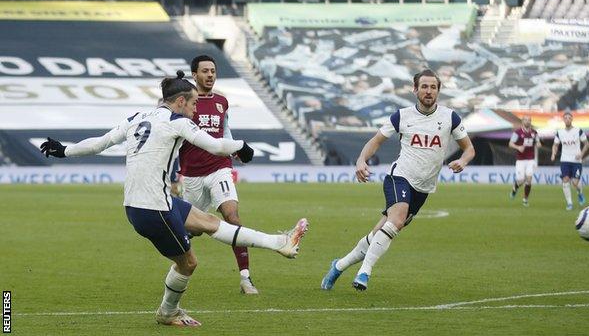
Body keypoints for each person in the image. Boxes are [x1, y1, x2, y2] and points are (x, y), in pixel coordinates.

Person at [40, 71, 308, 327]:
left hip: (143, 203)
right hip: (153, 208)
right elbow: (215, 145)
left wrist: (64, 150)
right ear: (180, 101)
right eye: (192, 104)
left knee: (209, 222)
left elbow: (101, 143)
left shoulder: (137, 117)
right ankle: (167, 313)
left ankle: (280, 242)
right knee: (188, 263)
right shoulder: (177, 121)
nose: (195, 110)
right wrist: (241, 146)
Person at [320, 69, 475, 291]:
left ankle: (338, 265)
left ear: (439, 91)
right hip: (399, 177)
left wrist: (464, 161)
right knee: (398, 218)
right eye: (424, 86)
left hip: (424, 188)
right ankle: (365, 272)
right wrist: (361, 160)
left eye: (433, 87)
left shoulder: (450, 117)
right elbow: (376, 141)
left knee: (380, 232)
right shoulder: (402, 116)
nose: (428, 91)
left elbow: (469, 149)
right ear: (415, 90)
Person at [178, 55, 259, 294]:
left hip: (219, 169)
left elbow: (225, 131)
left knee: (232, 217)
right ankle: (180, 270)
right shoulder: (184, 102)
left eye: (213, 71)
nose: (210, 75)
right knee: (189, 230)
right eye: (205, 71)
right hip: (192, 175)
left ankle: (246, 278)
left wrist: (236, 150)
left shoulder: (222, 101)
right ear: (194, 75)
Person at [550, 111, 589, 210]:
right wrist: (553, 153)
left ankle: (580, 193)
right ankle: (569, 203)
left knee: (575, 183)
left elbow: (587, 144)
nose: (567, 119)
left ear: (572, 119)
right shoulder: (560, 132)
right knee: (565, 180)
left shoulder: (578, 130)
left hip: (576, 161)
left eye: (569, 118)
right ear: (563, 120)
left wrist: (581, 154)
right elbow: (555, 145)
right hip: (565, 160)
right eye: (565, 118)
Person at [508, 115, 541, 207]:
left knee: (529, 179)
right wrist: (518, 147)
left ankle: (525, 199)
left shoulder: (534, 132)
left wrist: (538, 144)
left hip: (530, 159)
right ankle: (515, 187)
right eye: (526, 120)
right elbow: (510, 144)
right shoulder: (517, 133)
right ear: (522, 121)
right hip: (520, 160)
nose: (527, 121)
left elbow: (538, 142)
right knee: (520, 180)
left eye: (529, 120)